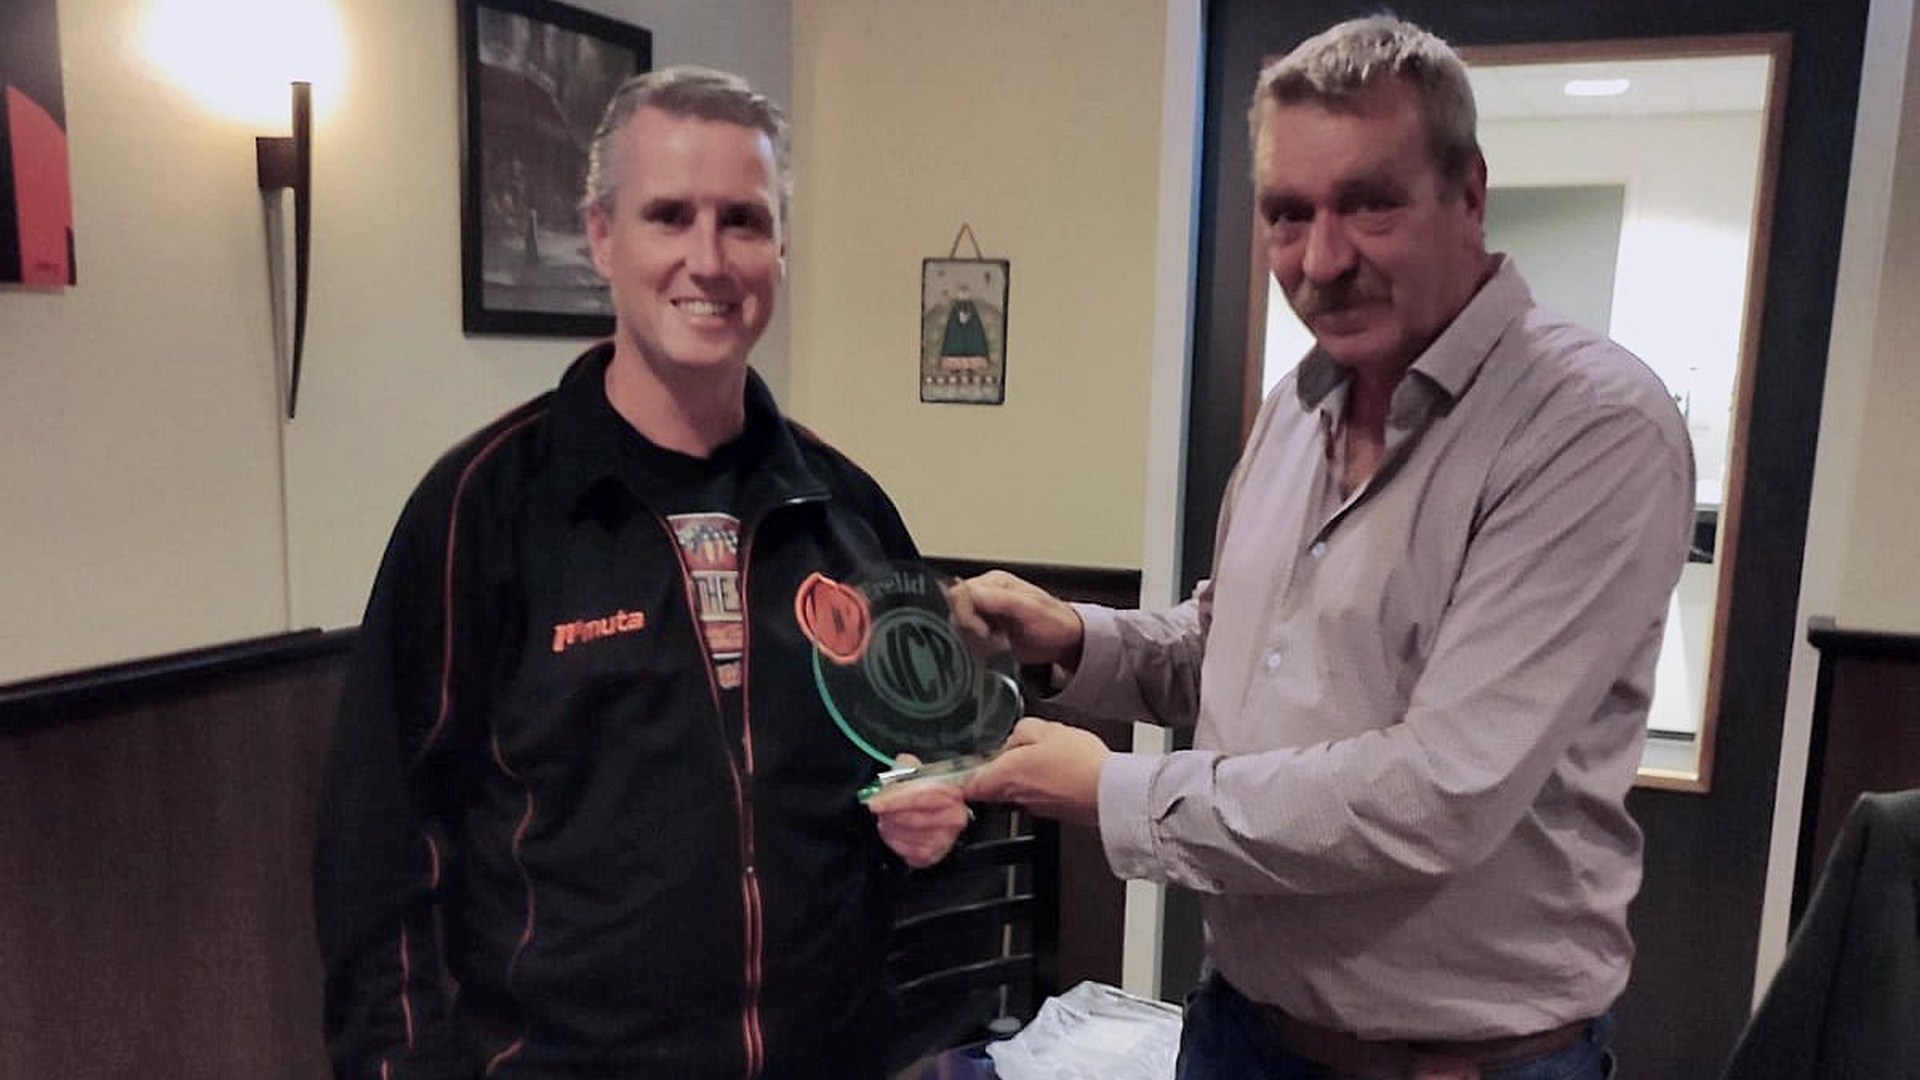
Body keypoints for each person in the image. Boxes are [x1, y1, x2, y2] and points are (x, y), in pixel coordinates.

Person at [963, 16, 1695, 1080]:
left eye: (1369, 203)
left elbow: (1438, 794)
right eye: (1288, 214)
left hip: (1457, 1067)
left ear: (1469, 194)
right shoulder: (1295, 407)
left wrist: (1117, 792)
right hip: (1239, 1030)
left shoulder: (1588, 427)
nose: (1322, 259)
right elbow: (1230, 651)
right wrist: (1076, 638)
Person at [313, 66, 968, 1080]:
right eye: (670, 216)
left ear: (781, 248)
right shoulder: (482, 510)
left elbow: (939, 759)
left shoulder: (847, 511)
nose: (709, 259)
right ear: (601, 238)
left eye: (743, 221)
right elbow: (378, 845)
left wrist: (935, 816)